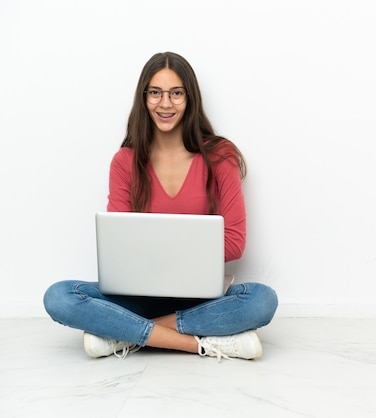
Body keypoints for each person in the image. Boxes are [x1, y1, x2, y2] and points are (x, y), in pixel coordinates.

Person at [43, 52, 278, 361]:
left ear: (189, 98)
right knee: (59, 297)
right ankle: (201, 343)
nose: (165, 104)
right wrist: (187, 246)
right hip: (138, 296)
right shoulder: (125, 161)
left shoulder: (221, 155)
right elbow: (118, 243)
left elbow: (234, 244)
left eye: (176, 93)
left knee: (262, 301)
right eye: (155, 93)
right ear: (144, 98)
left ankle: (124, 334)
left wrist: (157, 247)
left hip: (200, 298)